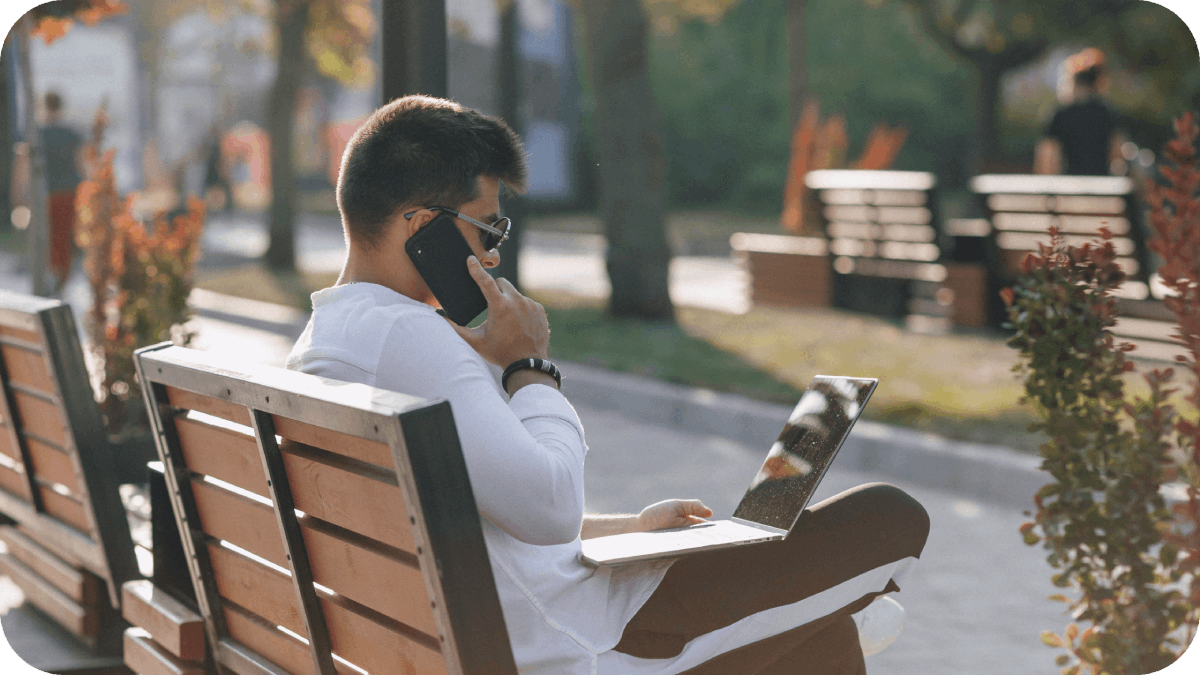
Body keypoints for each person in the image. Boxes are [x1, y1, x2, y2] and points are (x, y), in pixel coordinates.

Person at [286, 95, 929, 675]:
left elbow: (486, 513)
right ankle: (838, 603)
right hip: (591, 641)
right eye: (487, 229)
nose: (492, 256)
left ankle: (826, 609)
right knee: (890, 516)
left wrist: (632, 528)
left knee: (818, 639)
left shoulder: (330, 342)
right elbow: (547, 508)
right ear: (418, 224)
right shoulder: (411, 338)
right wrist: (529, 366)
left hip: (532, 622)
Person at [1035, 47, 1126, 176]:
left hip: (1069, 188)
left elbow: (1047, 157)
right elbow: (1117, 155)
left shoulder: (1061, 115)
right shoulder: (1108, 113)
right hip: (1102, 188)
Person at [40, 91, 84, 294]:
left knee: (49, 236)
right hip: (70, 190)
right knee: (65, 236)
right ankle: (62, 277)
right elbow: (81, 164)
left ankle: (55, 274)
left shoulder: (38, 133)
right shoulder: (72, 133)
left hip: (47, 192)